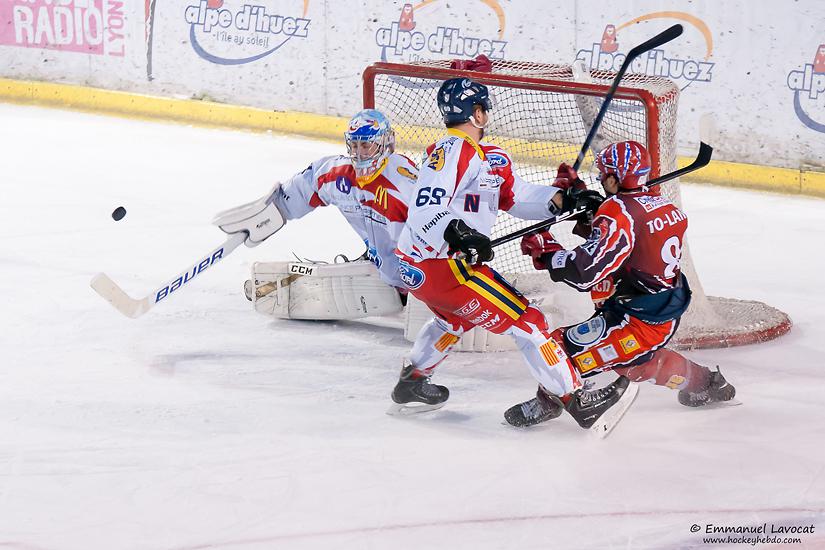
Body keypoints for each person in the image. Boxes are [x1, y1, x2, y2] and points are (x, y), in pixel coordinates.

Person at [390, 77, 635, 432]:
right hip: (444, 267)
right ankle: (577, 400)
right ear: (478, 114)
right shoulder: (453, 149)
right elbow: (426, 207)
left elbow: (518, 197)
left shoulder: (487, 158)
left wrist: (563, 200)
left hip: (419, 267)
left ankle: (412, 381)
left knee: (453, 321)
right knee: (529, 323)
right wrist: (458, 232)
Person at [509, 140, 736, 427]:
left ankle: (557, 402)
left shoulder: (619, 211)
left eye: (604, 175)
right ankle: (707, 383)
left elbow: (585, 272)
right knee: (637, 364)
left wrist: (548, 252)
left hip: (639, 321)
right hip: (654, 309)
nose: (601, 179)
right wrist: (579, 195)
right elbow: (627, 244)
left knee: (556, 349)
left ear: (615, 179)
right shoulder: (661, 204)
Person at [213, 109, 418, 296]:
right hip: (380, 265)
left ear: (386, 143)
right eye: (354, 145)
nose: (358, 153)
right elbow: (306, 187)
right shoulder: (338, 174)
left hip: (415, 274)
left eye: (365, 145)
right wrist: (269, 215)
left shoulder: (403, 183)